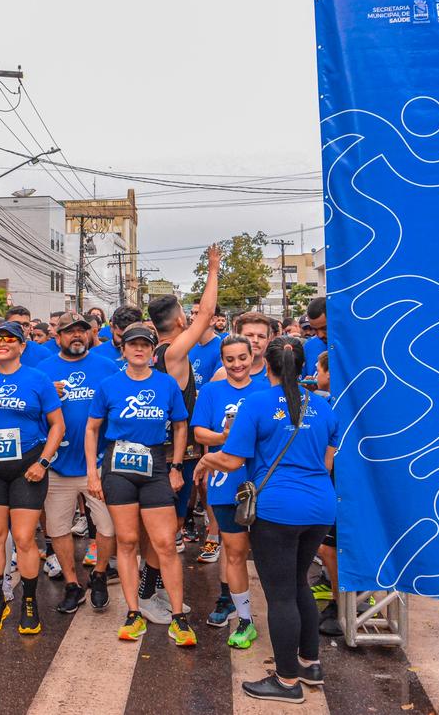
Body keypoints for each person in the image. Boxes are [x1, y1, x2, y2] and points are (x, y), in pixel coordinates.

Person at [202, 337, 340, 703]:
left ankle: (286, 681)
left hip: (278, 510)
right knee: (299, 585)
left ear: (269, 366)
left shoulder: (258, 403)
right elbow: (327, 462)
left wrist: (205, 461)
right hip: (320, 507)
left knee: (280, 595)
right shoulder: (322, 406)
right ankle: (310, 664)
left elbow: (232, 459)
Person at [84, 324, 193, 646]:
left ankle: (178, 617)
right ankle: (133, 613)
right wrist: (93, 472)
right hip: (118, 466)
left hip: (156, 464)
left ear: (153, 350)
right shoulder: (108, 386)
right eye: (134, 344)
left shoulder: (166, 384)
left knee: (165, 543)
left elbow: (180, 425)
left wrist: (175, 466)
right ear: (124, 349)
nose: (139, 349)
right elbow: (92, 430)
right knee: (128, 542)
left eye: (146, 344)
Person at [0, 320, 65, 634]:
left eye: (9, 339)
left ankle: (29, 602)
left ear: (21, 345)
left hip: (28, 467)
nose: (1, 343)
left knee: (23, 538)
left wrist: (43, 462)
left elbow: (57, 425)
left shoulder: (38, 379)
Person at [143, 244, 220, 612]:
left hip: (160, 450)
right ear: (177, 322)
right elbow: (206, 313)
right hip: (175, 455)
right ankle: (149, 591)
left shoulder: (151, 355)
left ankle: (151, 587)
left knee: (162, 525)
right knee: (168, 526)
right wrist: (214, 267)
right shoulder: (172, 353)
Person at [38, 312, 120, 613]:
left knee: (107, 525)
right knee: (58, 528)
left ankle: (99, 575)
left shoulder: (107, 367)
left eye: (81, 331)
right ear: (56, 337)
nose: (76, 336)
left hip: (97, 463)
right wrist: (48, 397)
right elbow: (32, 415)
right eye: (69, 331)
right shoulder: (42, 371)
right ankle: (73, 584)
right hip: (58, 464)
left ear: (90, 335)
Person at [192, 335, 266, 649]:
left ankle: (279, 613)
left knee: (268, 555)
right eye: (229, 359)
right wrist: (224, 435)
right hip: (225, 485)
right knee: (234, 554)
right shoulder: (210, 391)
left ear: (253, 357)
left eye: (241, 358)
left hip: (263, 484)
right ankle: (245, 618)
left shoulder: (265, 391)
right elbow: (198, 433)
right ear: (222, 361)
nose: (236, 364)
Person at [91, 305, 140, 371]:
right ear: (111, 327)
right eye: (120, 337)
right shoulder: (96, 354)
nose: (124, 343)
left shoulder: (146, 354)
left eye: (130, 338)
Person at [302, 298, 327, 386]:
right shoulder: (308, 347)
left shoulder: (350, 346)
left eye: (324, 328)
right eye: (315, 329)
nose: (320, 335)